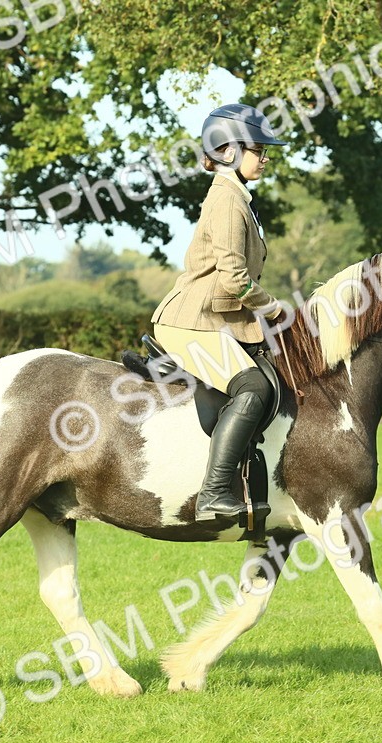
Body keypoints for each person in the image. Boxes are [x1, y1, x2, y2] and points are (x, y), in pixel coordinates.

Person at [150, 103, 287, 524]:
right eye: (258, 149)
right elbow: (233, 278)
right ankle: (213, 494)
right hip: (190, 322)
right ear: (228, 150)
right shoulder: (228, 198)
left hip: (215, 320)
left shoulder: (237, 196)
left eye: (266, 151)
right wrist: (274, 309)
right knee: (253, 389)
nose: (265, 158)